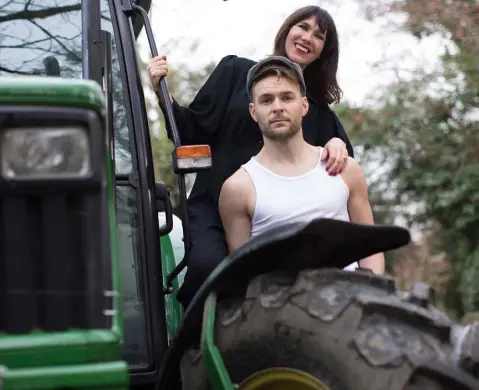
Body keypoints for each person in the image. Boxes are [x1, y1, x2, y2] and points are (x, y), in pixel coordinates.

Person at [148, 6, 357, 309]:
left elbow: (342, 157)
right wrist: (162, 93)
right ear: (287, 30)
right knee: (209, 271)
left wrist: (337, 142)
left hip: (276, 216)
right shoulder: (235, 72)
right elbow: (191, 131)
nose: (308, 37)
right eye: (303, 27)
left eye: (319, 36)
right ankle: (196, 351)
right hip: (217, 209)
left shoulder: (316, 110)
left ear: (323, 52)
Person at [218, 56, 385, 274]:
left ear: (304, 105)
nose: (277, 107)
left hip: (352, 298)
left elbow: (370, 250)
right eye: (266, 100)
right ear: (253, 111)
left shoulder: (345, 169)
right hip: (280, 304)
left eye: (287, 98)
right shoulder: (238, 188)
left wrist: (372, 296)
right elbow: (242, 275)